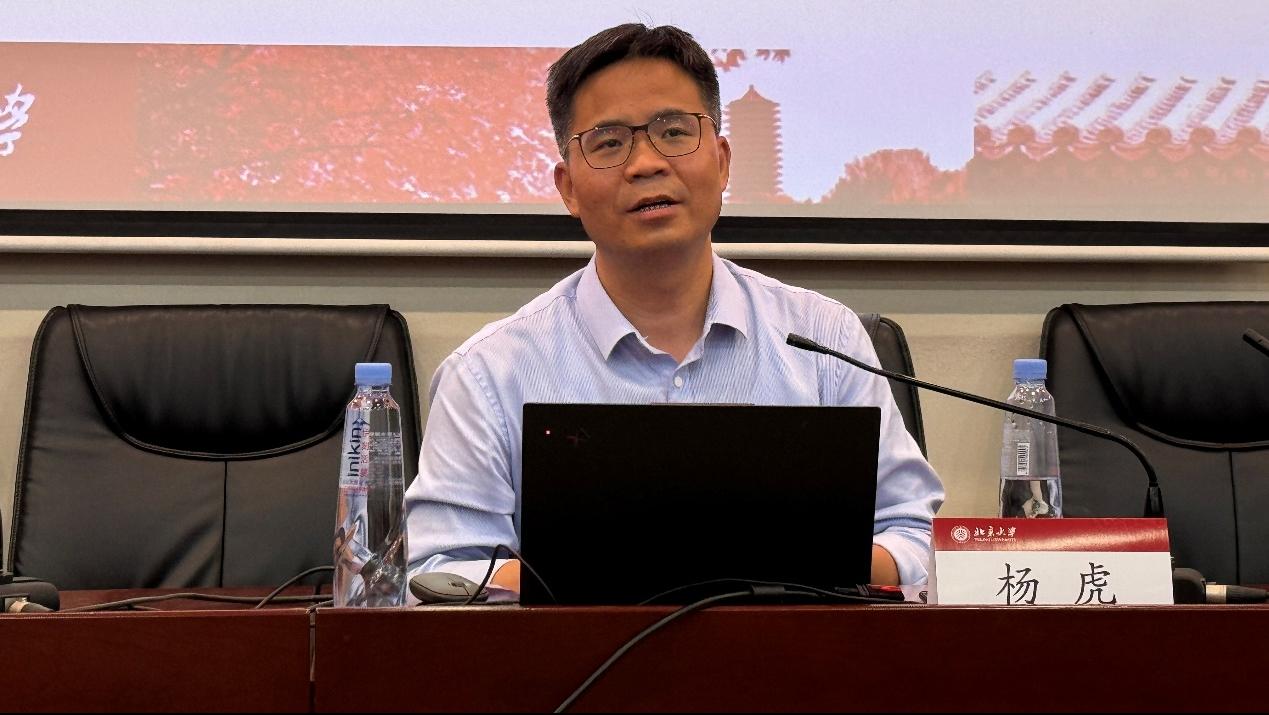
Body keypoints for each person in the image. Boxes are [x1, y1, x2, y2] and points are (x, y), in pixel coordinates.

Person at [404, 23, 943, 593]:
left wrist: (775, 563)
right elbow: (441, 572)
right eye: (609, 143)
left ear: (722, 161)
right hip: (581, 656)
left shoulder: (825, 341)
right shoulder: (490, 373)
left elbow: (914, 535)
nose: (646, 163)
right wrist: (662, 570)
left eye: (674, 132)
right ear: (567, 188)